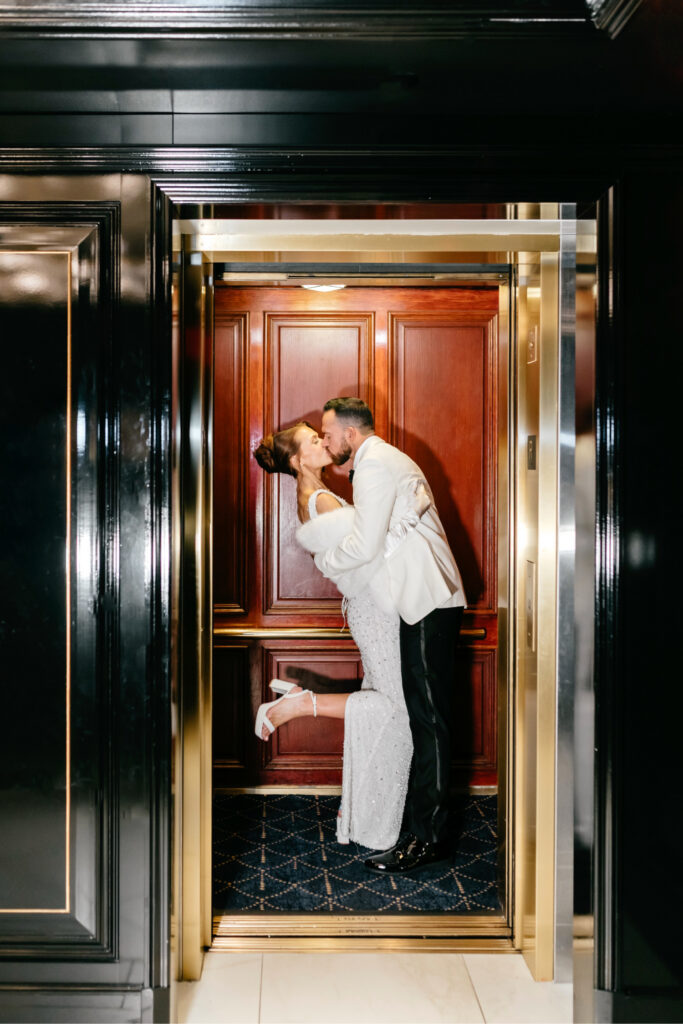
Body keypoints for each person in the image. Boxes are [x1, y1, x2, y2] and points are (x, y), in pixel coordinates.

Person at [252, 421, 418, 852]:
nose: (323, 442)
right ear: (297, 459)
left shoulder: (310, 498)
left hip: (371, 610)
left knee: (391, 705)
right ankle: (298, 704)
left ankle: (370, 819)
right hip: (376, 609)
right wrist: (410, 514)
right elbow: (370, 551)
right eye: (313, 440)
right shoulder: (322, 499)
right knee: (395, 711)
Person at [317, 397, 466, 874]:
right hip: (424, 600)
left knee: (429, 721)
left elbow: (363, 545)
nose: (325, 442)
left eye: (328, 434)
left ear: (351, 434)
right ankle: (427, 832)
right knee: (428, 718)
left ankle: (427, 839)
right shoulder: (382, 459)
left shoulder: (376, 464)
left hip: (427, 601)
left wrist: (323, 560)